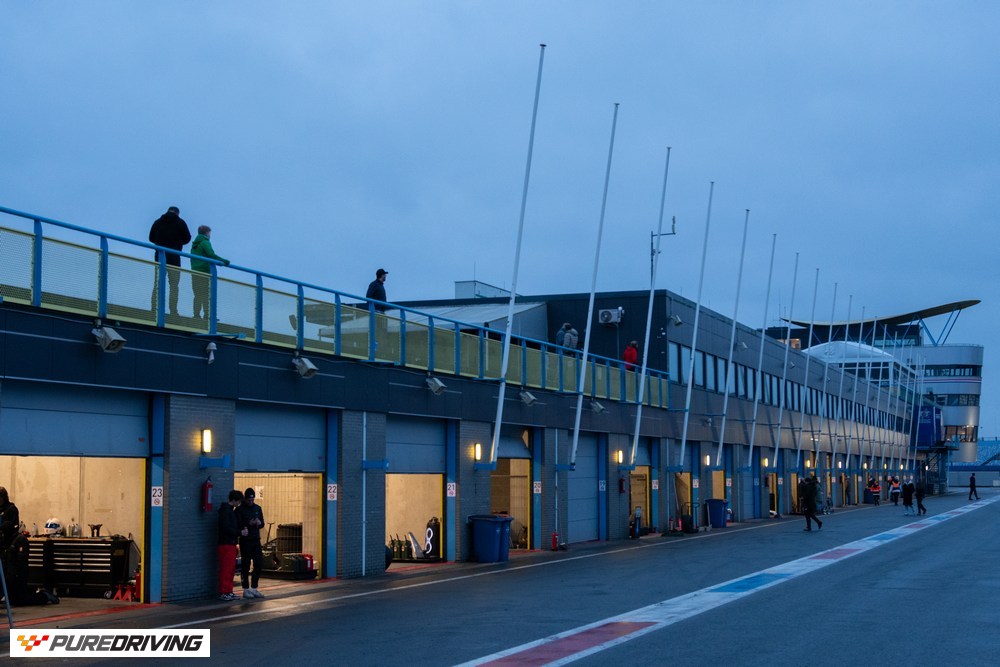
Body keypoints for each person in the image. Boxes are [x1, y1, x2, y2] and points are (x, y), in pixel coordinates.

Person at [0, 487, 58, 606]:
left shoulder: (19, 539)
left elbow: (20, 567)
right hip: (6, 573)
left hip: (15, 576)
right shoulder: (4, 542)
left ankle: (44, 595)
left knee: (18, 600)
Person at [149, 206, 192, 316]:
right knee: (174, 285)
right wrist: (178, 243)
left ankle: (154, 308)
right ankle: (173, 311)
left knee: (157, 283)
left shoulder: (157, 222)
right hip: (174, 257)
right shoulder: (180, 222)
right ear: (177, 213)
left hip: (159, 256)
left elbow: (151, 238)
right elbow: (187, 238)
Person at [190, 225, 230, 319]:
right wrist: (224, 261)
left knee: (197, 295)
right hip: (205, 271)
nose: (210, 235)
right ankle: (207, 316)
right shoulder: (205, 242)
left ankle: (196, 315)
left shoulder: (194, 245)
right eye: (209, 233)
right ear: (207, 233)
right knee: (207, 294)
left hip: (195, 271)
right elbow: (211, 254)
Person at [235, 487, 265, 599]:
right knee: (246, 564)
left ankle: (254, 587)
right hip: (245, 540)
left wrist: (259, 522)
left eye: (252, 500)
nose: (251, 502)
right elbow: (237, 524)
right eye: (249, 500)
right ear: (245, 499)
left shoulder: (257, 508)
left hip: (256, 539)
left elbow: (262, 523)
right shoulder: (239, 510)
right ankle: (246, 588)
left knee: (258, 563)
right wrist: (248, 523)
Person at [218, 489, 246, 601]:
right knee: (227, 569)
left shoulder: (229, 511)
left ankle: (228, 591)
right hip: (226, 544)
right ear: (234, 500)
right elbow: (226, 529)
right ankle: (224, 591)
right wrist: (240, 532)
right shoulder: (226, 512)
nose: (239, 504)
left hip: (230, 543)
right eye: (238, 501)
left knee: (230, 569)